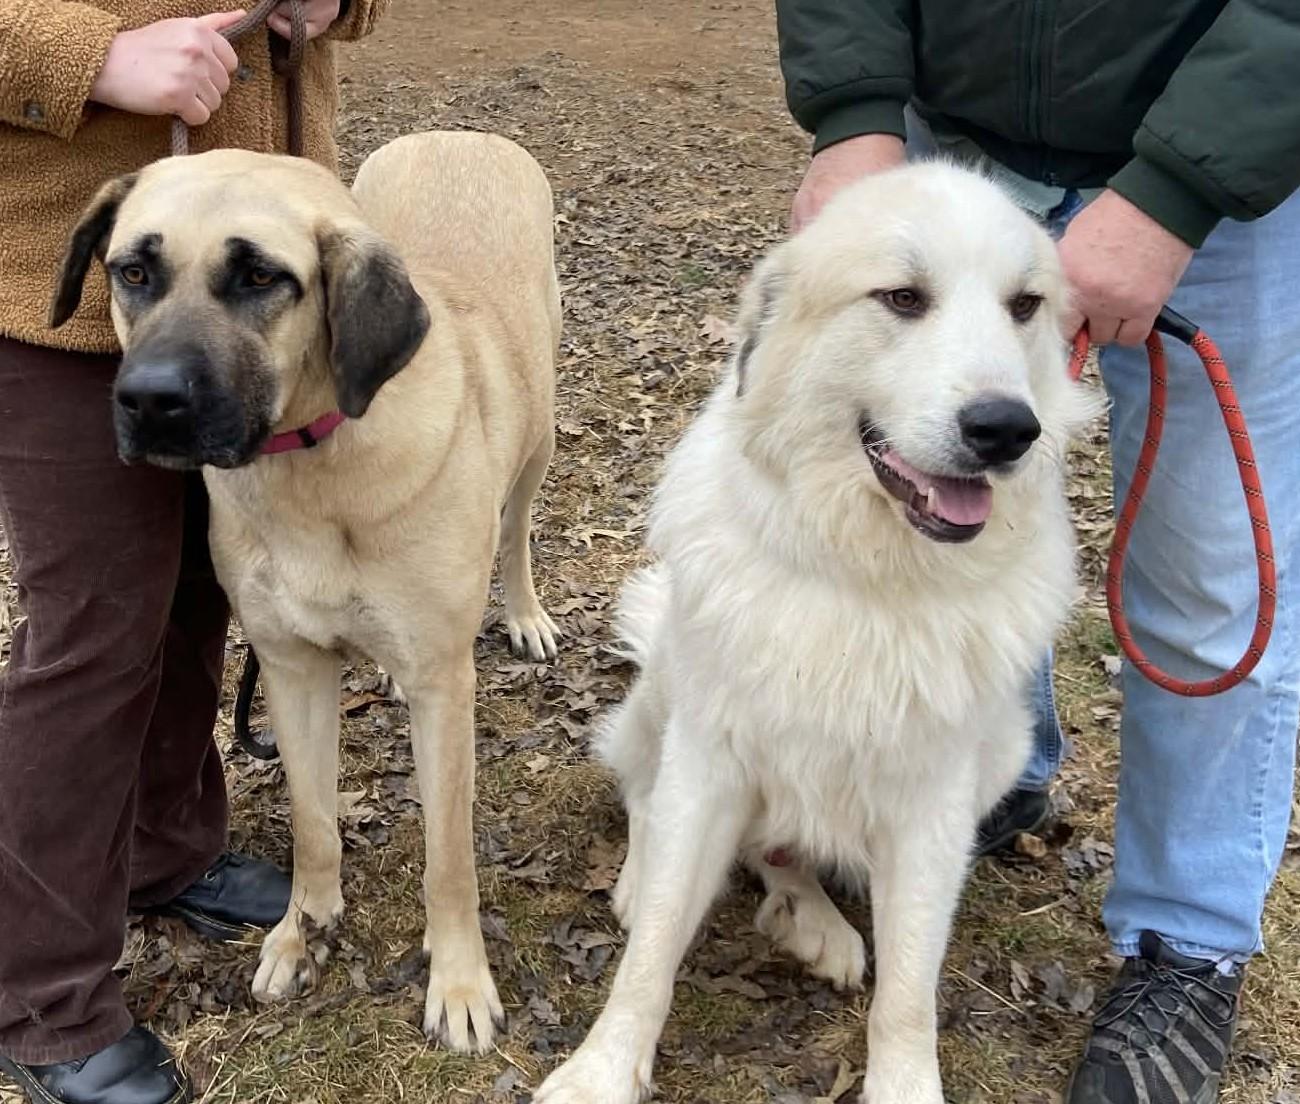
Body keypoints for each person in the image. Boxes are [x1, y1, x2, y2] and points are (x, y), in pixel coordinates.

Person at [775, 3, 1300, 1102]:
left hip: (1230, 184)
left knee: (1209, 579)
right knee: (939, 512)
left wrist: (1177, 190)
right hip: (956, 154)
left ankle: (1187, 941)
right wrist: (854, 115)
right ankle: (997, 774)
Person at [0, 3, 388, 1102]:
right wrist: (89, 59)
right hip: (74, 307)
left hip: (271, 311)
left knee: (195, 598)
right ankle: (39, 995)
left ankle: (165, 850)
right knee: (93, 642)